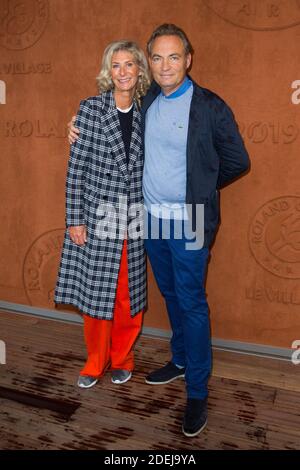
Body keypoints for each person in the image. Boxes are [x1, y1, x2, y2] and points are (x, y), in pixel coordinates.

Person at [68, 24, 250, 437]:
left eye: (174, 57)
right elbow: (109, 113)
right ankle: (181, 359)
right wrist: (75, 124)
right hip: (149, 219)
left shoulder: (209, 106)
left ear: (188, 60)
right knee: (169, 294)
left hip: (192, 221)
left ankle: (198, 390)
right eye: (157, 57)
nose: (165, 65)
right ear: (150, 63)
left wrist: (200, 186)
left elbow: (238, 161)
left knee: (191, 301)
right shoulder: (146, 99)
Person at [55, 40, 151, 389]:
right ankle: (96, 361)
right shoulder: (90, 110)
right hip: (98, 218)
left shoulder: (148, 110)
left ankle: (123, 358)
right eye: (116, 65)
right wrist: (74, 219)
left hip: (135, 217)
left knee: (129, 294)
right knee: (97, 294)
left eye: (130, 64)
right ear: (107, 71)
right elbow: (75, 171)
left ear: (140, 69)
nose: (123, 72)